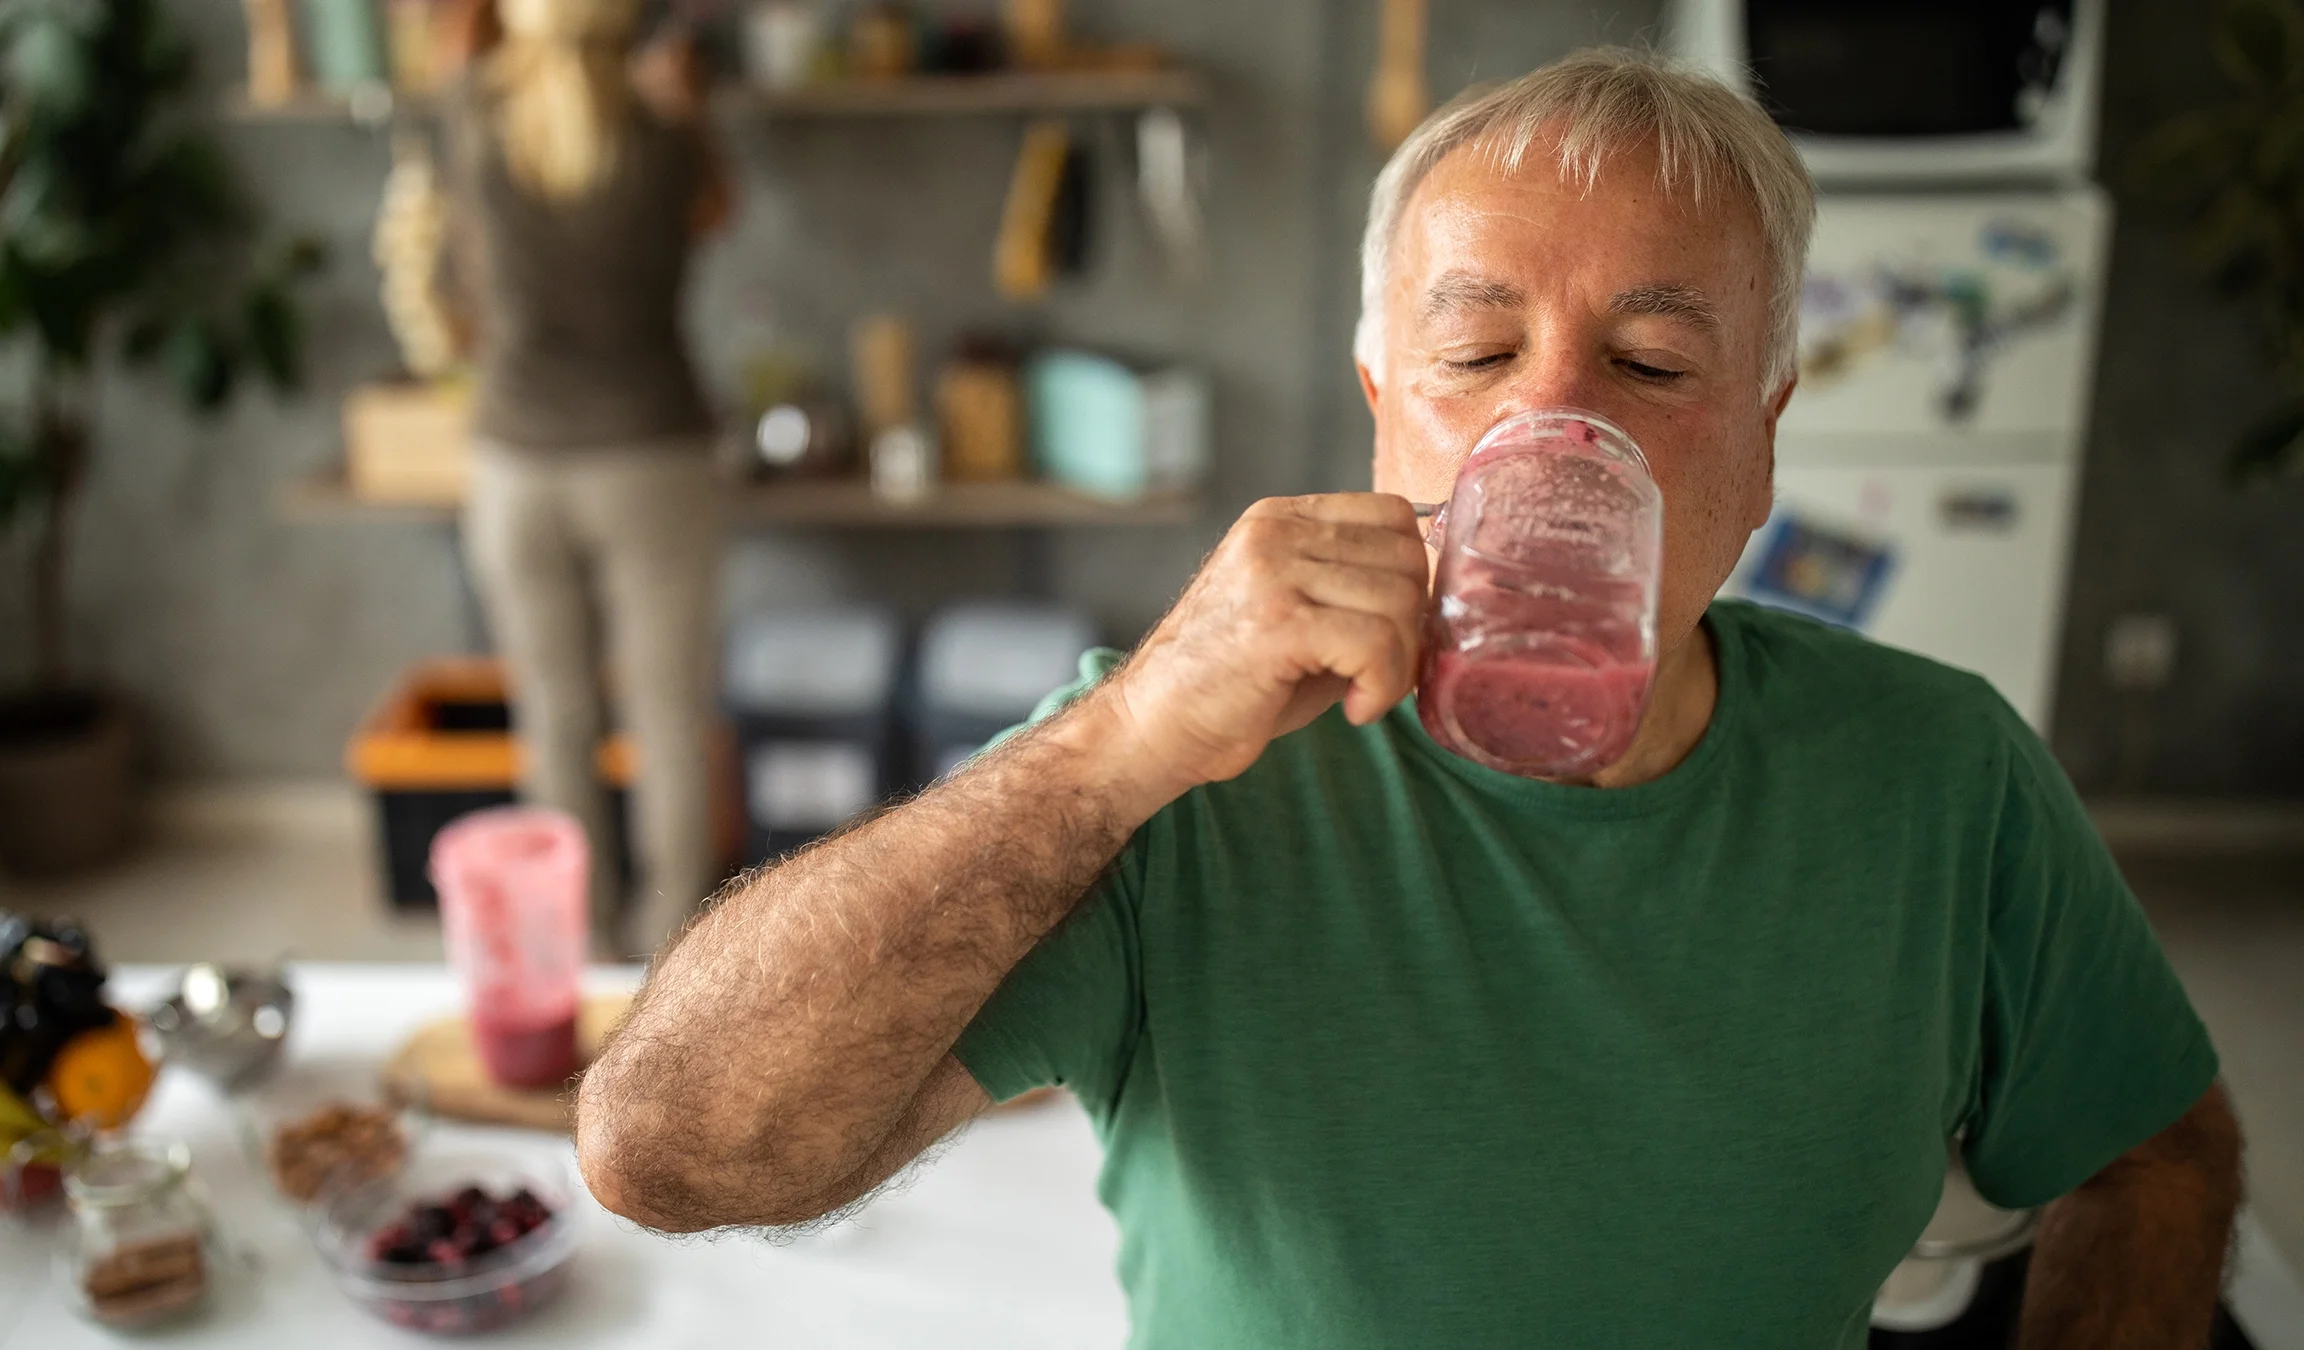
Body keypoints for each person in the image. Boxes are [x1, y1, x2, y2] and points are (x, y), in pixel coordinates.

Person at [574, 48, 2242, 1349]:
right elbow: (666, 1149)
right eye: (1476, 352)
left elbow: (2154, 1151)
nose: (1555, 419)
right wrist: (1110, 750)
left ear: (1762, 440)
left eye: (1655, 365)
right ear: (1385, 410)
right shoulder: (1178, 760)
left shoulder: (1937, 773)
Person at [446, 0, 734, 954]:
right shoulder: (661, 141)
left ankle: (574, 943)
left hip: (516, 464)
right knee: (666, 719)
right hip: (652, 457)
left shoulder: (477, 120)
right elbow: (717, 212)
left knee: (554, 718)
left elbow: (465, 285)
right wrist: (689, 107)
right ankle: (666, 961)